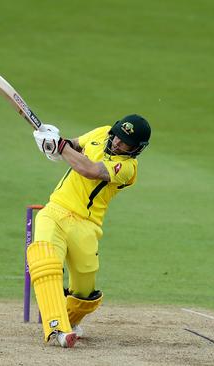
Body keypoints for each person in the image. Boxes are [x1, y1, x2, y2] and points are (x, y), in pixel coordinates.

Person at [28, 114, 151, 347]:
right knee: (45, 261)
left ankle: (67, 320)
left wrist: (60, 146)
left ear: (137, 149)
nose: (117, 143)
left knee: (84, 293)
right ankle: (57, 329)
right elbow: (74, 144)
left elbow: (91, 170)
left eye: (126, 143)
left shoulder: (127, 168)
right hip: (55, 211)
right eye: (118, 137)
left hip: (86, 227)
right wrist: (51, 141)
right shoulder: (102, 132)